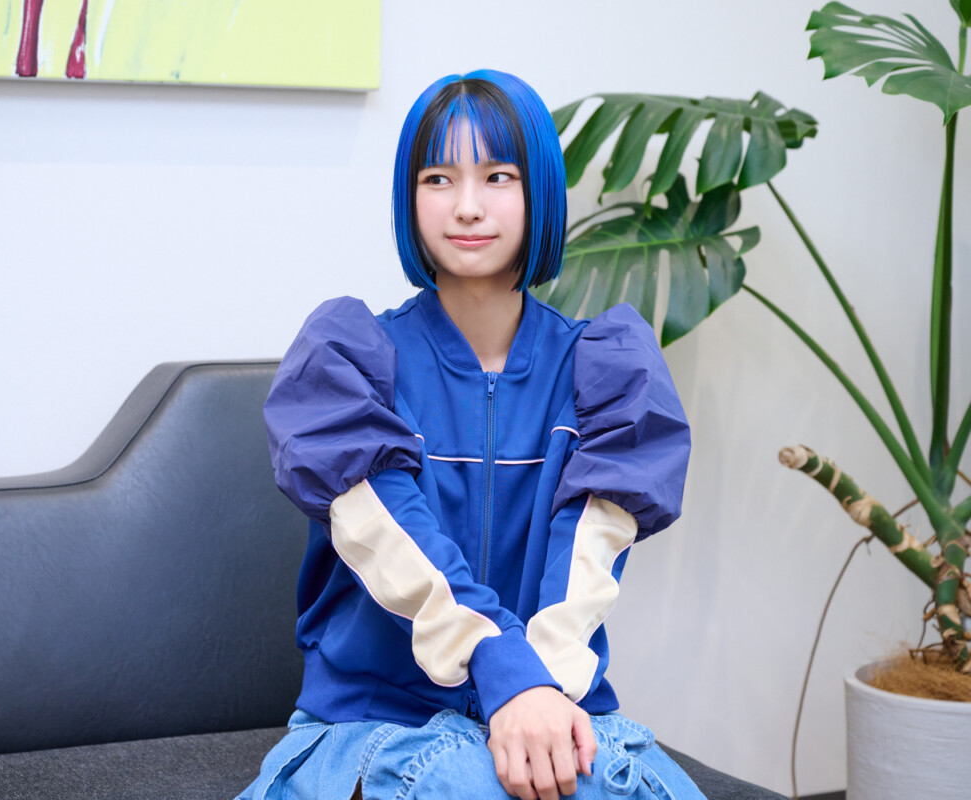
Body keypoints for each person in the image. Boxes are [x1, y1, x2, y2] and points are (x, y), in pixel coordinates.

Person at [238, 69, 700, 800]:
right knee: (465, 783)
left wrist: (535, 694)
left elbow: (585, 567)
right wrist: (502, 669)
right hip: (379, 719)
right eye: (438, 179)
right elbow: (392, 540)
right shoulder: (350, 361)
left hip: (553, 699)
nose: (467, 206)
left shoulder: (605, 371)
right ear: (410, 197)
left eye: (497, 177)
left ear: (538, 191)